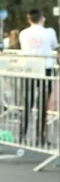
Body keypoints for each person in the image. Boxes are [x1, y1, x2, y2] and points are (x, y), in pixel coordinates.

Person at [18, 9, 59, 146]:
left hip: (28, 68)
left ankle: (21, 134)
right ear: (42, 18)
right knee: (42, 105)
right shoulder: (49, 32)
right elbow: (54, 46)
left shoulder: (23, 33)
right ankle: (40, 137)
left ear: (29, 19)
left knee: (27, 102)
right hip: (45, 69)